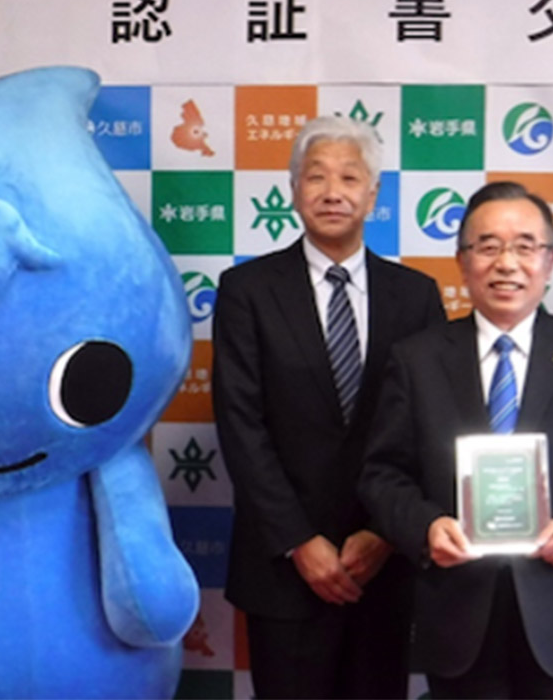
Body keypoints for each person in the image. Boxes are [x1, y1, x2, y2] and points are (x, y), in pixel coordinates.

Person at [359, 181, 553, 699]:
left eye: (525, 246)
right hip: (458, 619)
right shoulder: (417, 360)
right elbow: (382, 474)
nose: (506, 263)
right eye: (487, 246)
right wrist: (426, 528)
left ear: (550, 261)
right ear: (462, 262)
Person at [212, 116, 445, 699]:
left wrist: (386, 532)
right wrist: (300, 541)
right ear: (293, 191)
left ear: (374, 193)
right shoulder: (248, 291)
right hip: (284, 569)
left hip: (383, 567)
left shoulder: (415, 295)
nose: (332, 191)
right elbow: (241, 426)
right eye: (315, 177)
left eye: (349, 176)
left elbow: (433, 427)